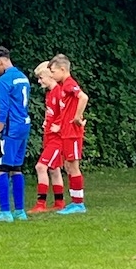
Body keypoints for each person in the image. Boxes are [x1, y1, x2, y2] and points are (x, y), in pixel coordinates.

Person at [0, 46, 32, 224]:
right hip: (23, 126)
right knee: (16, 168)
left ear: (0, 62)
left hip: (10, 129)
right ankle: (20, 211)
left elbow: (3, 111)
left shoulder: (4, 80)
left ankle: (5, 212)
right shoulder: (23, 77)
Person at [48, 53, 89, 215]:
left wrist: (77, 117)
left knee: (73, 166)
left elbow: (83, 97)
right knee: (67, 166)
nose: (52, 75)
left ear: (63, 69)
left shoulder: (69, 84)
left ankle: (79, 204)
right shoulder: (63, 86)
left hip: (72, 133)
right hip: (66, 132)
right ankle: (74, 201)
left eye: (53, 72)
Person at [31, 61, 66, 213]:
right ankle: (59, 202)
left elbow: (67, 112)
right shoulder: (49, 93)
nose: (39, 81)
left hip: (57, 138)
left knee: (40, 166)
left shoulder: (60, 92)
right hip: (49, 136)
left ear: (50, 76)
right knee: (54, 169)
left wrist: (59, 125)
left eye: (41, 78)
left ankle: (41, 204)